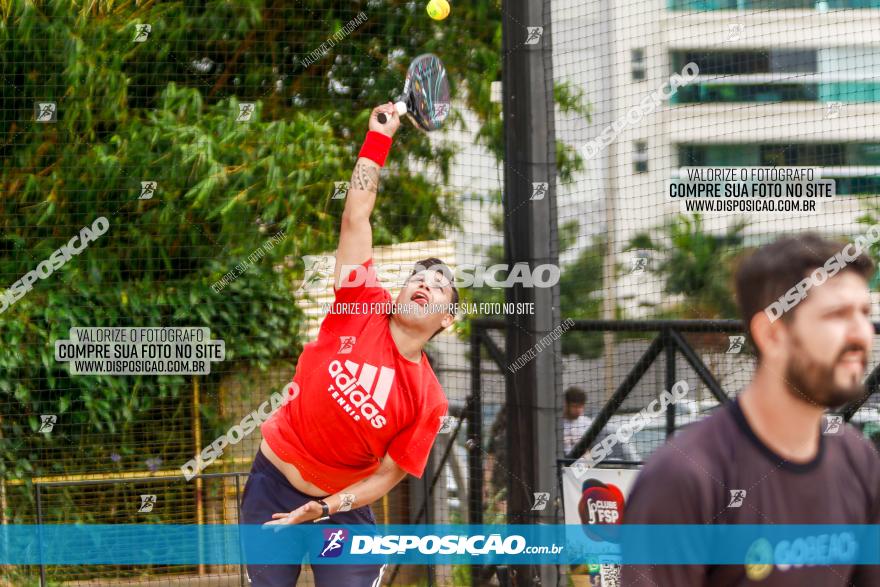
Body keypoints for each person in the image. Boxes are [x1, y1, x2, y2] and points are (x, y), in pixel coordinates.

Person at [239, 102, 457, 586]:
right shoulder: (361, 301)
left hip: (340, 510)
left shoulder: (428, 399)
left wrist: (322, 507)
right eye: (419, 276)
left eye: (439, 286)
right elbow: (356, 215)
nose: (425, 283)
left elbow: (384, 478)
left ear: (446, 319)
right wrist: (377, 139)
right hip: (273, 486)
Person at [621, 234, 880, 586]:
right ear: (771, 334)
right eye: (837, 315)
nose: (861, 335)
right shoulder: (684, 477)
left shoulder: (858, 459)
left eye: (864, 313)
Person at [563, 386, 592, 454]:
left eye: (581, 406)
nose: (578, 410)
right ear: (566, 404)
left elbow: (589, 451)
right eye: (575, 406)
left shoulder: (587, 423)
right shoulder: (556, 423)